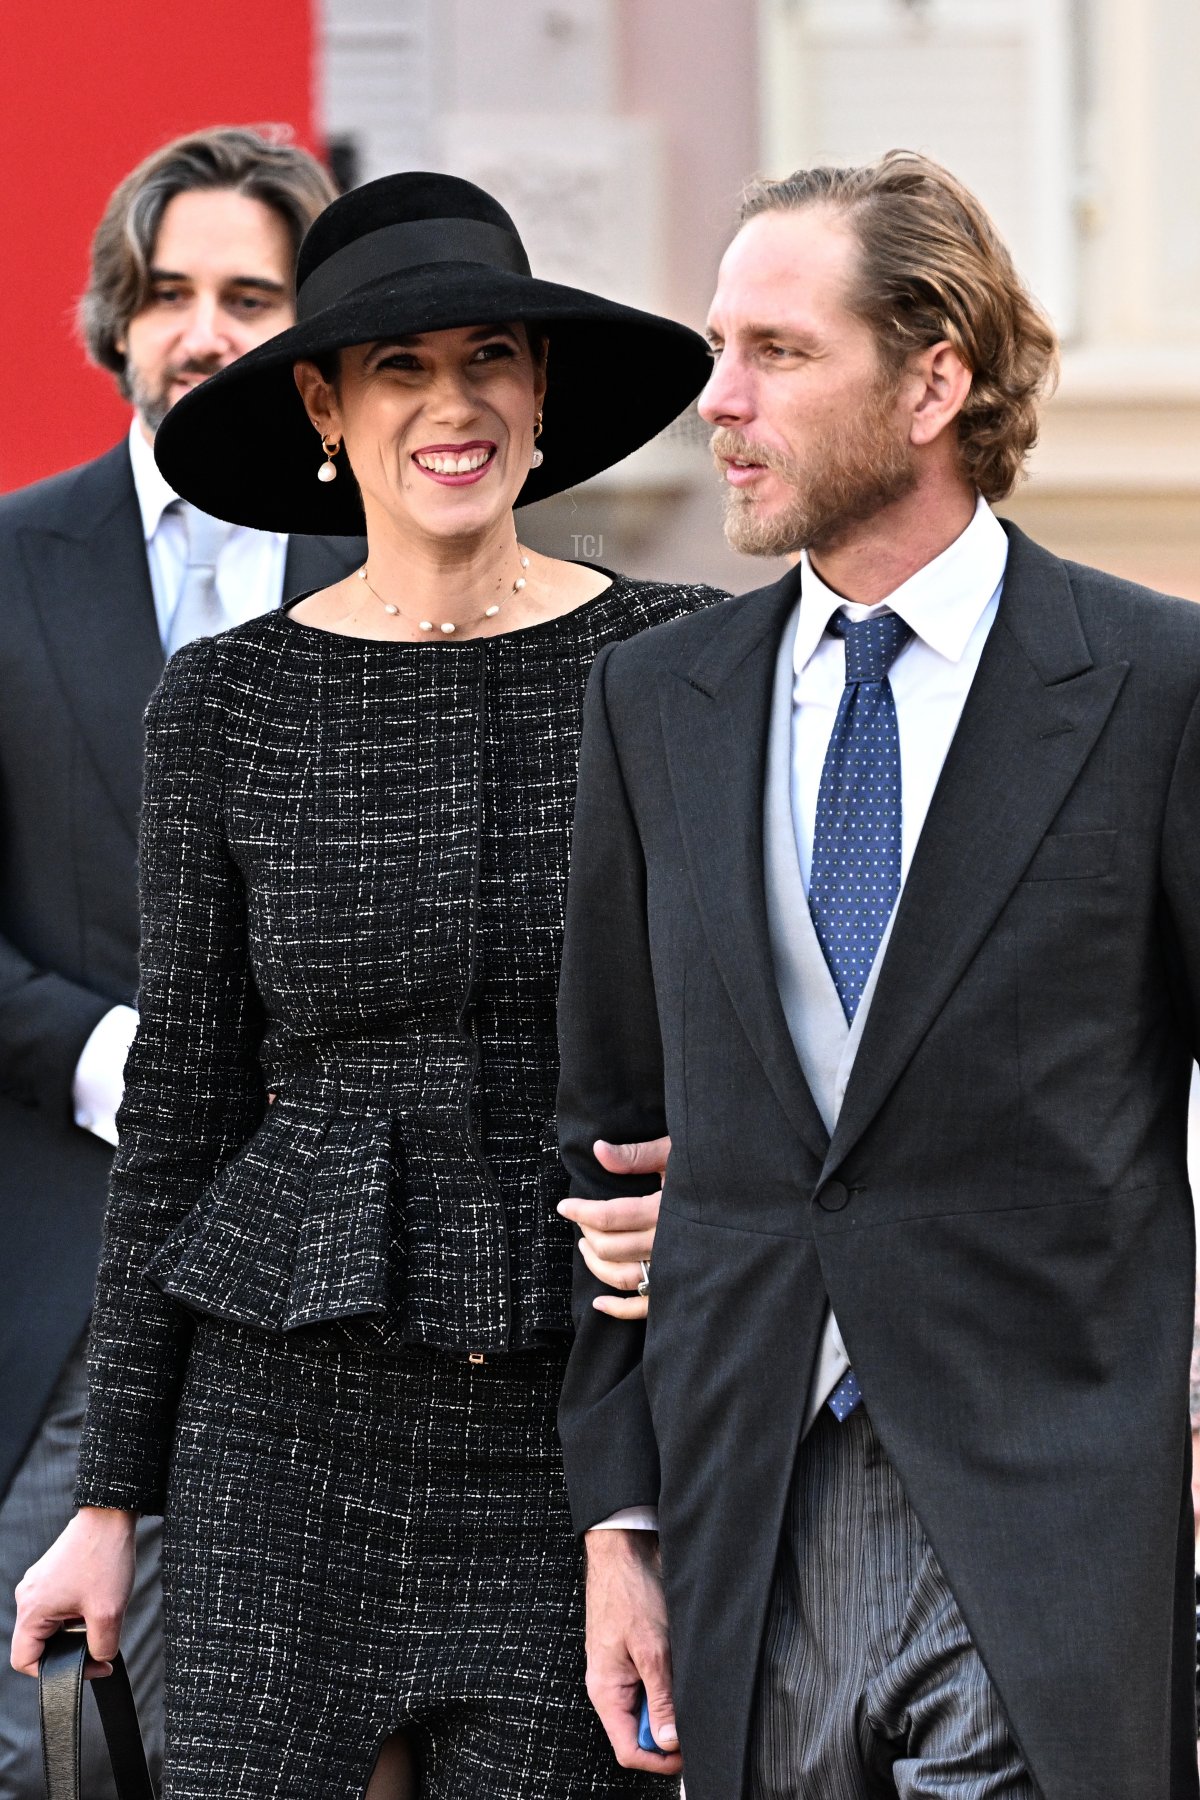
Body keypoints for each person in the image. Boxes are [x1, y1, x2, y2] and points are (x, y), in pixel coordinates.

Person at [10, 169, 723, 1799]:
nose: (452, 402)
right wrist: (111, 1504)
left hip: (578, 1444)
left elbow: (753, 1050)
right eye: (400, 366)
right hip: (280, 1434)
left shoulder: (681, 667)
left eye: (490, 357)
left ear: (544, 397)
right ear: (325, 405)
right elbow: (180, 1113)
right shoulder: (226, 700)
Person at [555, 149, 1200, 1800]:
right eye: (717, 349)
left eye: (777, 351)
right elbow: (610, 1131)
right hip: (748, 1509)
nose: (722, 399)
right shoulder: (657, 699)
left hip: (1050, 1501)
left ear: (934, 378)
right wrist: (621, 1523)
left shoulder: (1154, 681)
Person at [0, 126, 358, 1796]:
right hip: (58, 1302)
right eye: (169, 293)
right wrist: (114, 1060)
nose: (205, 329)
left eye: (251, 295)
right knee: (50, 1754)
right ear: (118, 322)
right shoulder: (6, 563)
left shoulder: (401, 577)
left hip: (347, 1311)